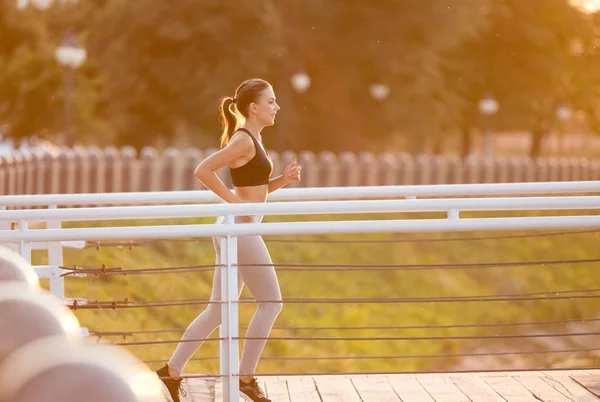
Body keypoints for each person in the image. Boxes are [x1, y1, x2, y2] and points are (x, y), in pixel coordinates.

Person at [156, 78, 302, 402]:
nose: (276, 107)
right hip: (239, 229)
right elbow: (203, 170)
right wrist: (233, 203)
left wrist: (283, 180)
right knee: (271, 302)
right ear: (254, 107)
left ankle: (170, 372)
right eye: (271, 101)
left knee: (218, 311)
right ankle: (245, 378)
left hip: (238, 227)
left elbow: (255, 190)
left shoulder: (253, 139)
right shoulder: (244, 140)